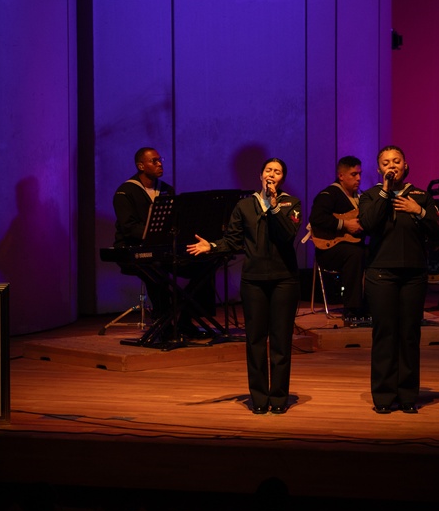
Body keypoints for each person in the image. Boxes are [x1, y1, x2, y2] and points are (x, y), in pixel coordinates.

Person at [187, 158, 302, 415]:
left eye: (278, 171)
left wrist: (272, 206)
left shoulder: (290, 204)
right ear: (261, 175)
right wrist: (213, 246)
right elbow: (233, 240)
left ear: (282, 178)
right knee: (255, 340)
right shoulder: (244, 205)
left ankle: (279, 398)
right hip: (254, 281)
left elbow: (287, 235)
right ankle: (259, 398)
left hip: (284, 279)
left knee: (281, 341)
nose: (272, 174)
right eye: (268, 170)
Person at [359, 145, 439, 414]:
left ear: (406, 166)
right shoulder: (371, 195)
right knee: (384, 334)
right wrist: (385, 193)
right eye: (386, 162)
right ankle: (384, 397)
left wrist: (417, 210)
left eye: (396, 161)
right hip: (381, 273)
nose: (391, 166)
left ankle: (408, 395)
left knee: (409, 335)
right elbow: (369, 224)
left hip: (413, 275)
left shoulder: (420, 196)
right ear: (379, 169)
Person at [112, 147, 215, 339]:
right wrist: (155, 236)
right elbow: (128, 228)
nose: (160, 164)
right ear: (141, 166)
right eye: (154, 161)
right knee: (156, 271)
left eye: (160, 160)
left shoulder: (166, 189)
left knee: (205, 265)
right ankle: (163, 324)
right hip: (133, 249)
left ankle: (185, 319)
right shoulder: (126, 191)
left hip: (163, 249)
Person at [308, 155, 366, 317]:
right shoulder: (329, 194)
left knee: (377, 253)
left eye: (360, 174)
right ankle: (352, 310)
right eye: (354, 174)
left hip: (353, 246)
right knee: (355, 254)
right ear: (341, 176)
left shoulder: (361, 197)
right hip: (328, 250)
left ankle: (372, 306)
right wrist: (345, 224)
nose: (359, 178)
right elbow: (316, 218)